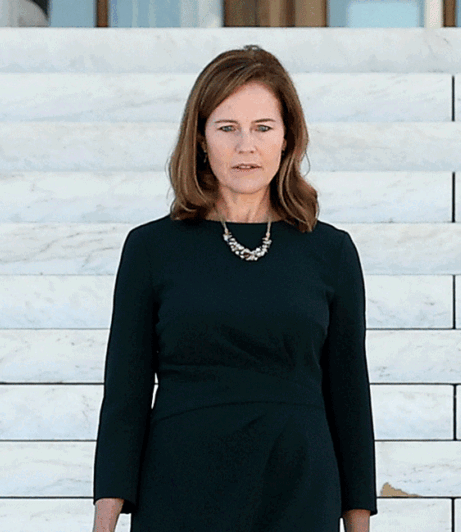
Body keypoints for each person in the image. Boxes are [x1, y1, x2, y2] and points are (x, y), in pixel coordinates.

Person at [91, 46, 376, 532]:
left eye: (263, 127)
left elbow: (349, 398)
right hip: (180, 487)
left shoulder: (332, 252)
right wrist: (105, 520)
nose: (246, 145)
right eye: (227, 128)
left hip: (299, 489)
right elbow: (126, 394)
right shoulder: (150, 248)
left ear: (287, 138)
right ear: (201, 139)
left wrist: (358, 522)